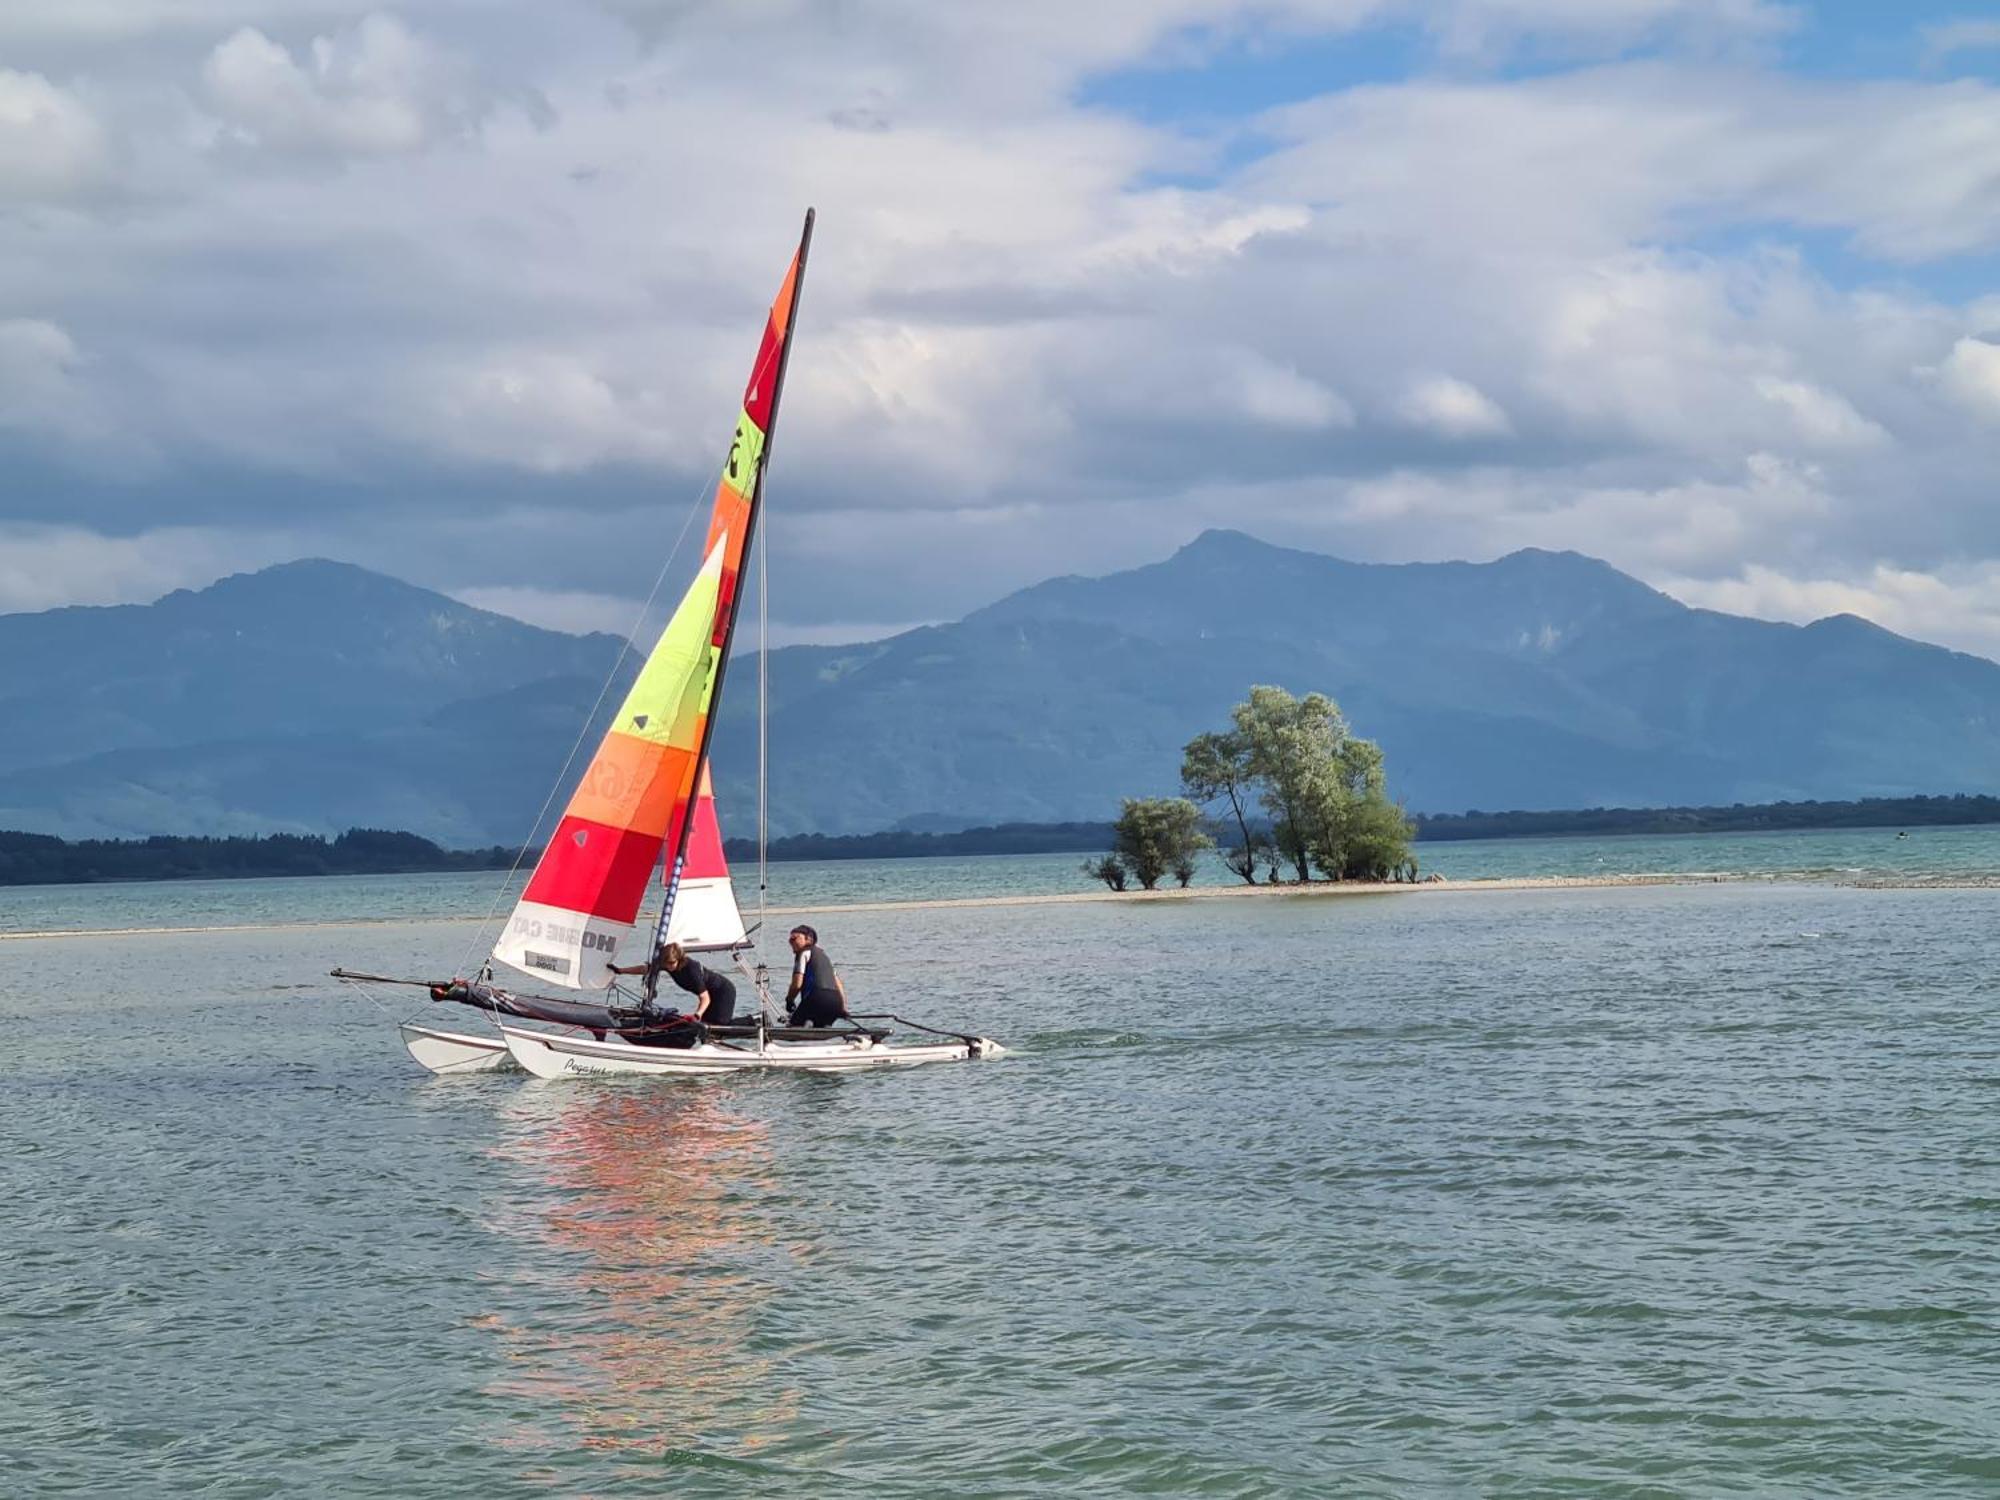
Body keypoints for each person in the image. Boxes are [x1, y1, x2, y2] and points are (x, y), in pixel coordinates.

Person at [782, 924, 849, 1028]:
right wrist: (843, 1008)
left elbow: (797, 984)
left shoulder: (803, 953)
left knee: (793, 1026)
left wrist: (789, 1000)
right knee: (821, 1026)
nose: (790, 941)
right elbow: (838, 984)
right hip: (835, 1003)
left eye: (794, 938)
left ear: (808, 939)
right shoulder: (825, 957)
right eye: (790, 939)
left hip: (816, 999)